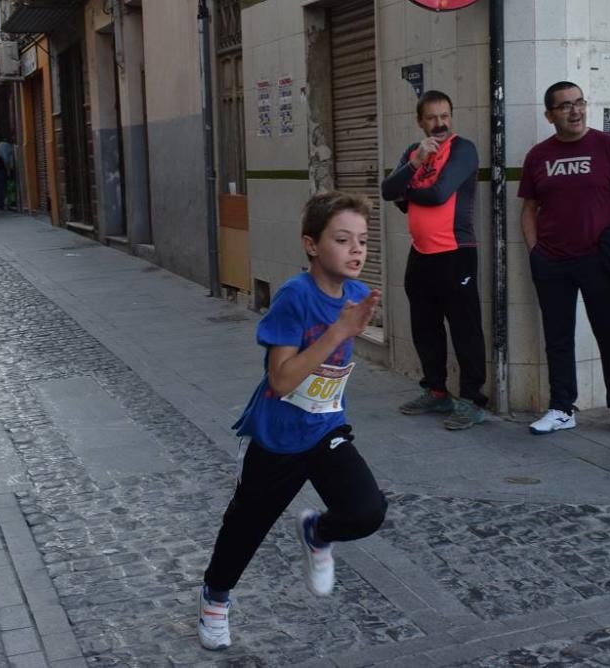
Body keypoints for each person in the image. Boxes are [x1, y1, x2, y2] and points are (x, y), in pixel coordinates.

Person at [198, 191, 388, 651]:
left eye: (363, 240)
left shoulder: (357, 294)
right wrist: (339, 331)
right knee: (246, 528)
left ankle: (316, 531)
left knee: (367, 510)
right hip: (277, 438)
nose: (357, 250)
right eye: (343, 240)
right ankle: (215, 599)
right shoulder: (293, 298)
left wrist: (345, 331)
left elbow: (331, 370)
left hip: (325, 429)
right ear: (311, 245)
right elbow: (281, 381)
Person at [518, 81, 610, 436]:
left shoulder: (608, 146)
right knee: (558, 337)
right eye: (564, 106)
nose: (575, 111)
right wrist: (535, 251)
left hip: (599, 261)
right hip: (552, 262)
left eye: (579, 103)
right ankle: (561, 408)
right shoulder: (538, 156)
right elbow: (528, 209)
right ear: (550, 115)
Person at [380, 89, 488, 430]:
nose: (440, 123)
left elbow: (440, 192)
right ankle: (437, 391)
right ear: (420, 122)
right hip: (421, 254)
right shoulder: (413, 153)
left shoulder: (463, 149)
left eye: (445, 115)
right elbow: (386, 191)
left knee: (465, 328)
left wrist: (407, 193)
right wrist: (414, 164)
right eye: (432, 117)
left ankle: (471, 400)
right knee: (425, 327)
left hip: (456, 253)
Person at [0, 133, 13, 210]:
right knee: (3, 187)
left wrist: (8, 170)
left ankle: (2, 204)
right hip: (6, 169)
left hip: (3, 169)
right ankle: (5, 203)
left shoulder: (1, 145)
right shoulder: (6, 144)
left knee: (0, 187)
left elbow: (6, 159)